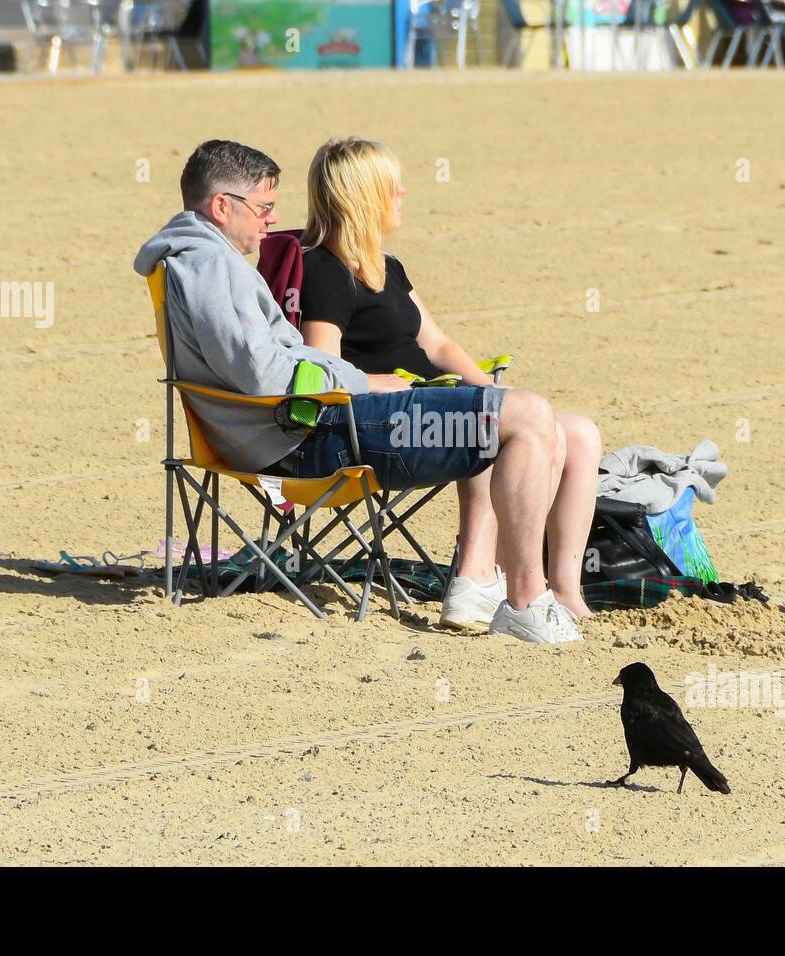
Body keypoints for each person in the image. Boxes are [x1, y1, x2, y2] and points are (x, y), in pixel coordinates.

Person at [133, 139, 585, 644]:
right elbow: (261, 375)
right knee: (522, 417)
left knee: (520, 415)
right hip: (308, 439)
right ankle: (524, 599)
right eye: (263, 207)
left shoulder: (208, 261)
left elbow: (274, 361)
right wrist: (361, 380)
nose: (273, 218)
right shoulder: (210, 267)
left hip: (300, 428)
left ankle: (498, 584)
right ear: (222, 206)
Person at [297, 137, 601, 628]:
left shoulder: (386, 267)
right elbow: (321, 365)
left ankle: (565, 590)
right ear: (365, 198)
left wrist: (493, 391)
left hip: (428, 409)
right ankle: (477, 577)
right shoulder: (323, 271)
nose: (404, 194)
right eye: (393, 188)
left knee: (580, 434)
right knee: (489, 424)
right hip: (375, 427)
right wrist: (391, 386)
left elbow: (438, 346)